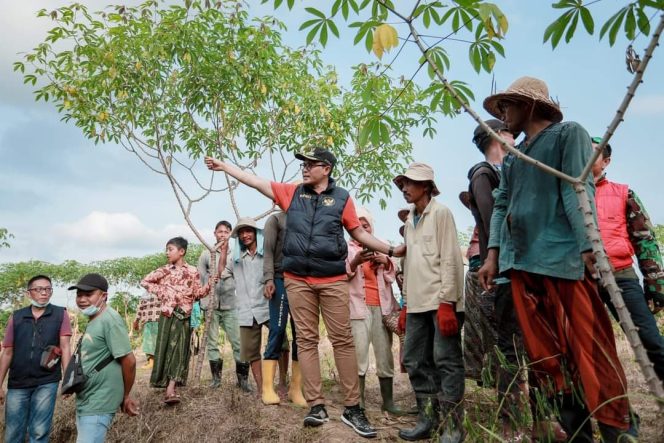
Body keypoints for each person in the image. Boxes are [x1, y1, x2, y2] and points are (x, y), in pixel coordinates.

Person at [205, 147, 405, 439]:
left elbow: (358, 233)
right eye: (304, 164)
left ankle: (352, 408)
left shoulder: (342, 198)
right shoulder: (292, 194)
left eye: (311, 164)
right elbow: (257, 182)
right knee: (307, 341)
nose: (305, 168)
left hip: (333, 278)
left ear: (326, 168)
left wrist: (391, 249)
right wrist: (226, 167)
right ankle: (316, 405)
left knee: (342, 341)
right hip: (297, 279)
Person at [479, 76, 637, 442]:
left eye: (508, 106)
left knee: (590, 350)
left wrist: (588, 246)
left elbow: (575, 188)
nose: (503, 117)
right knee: (547, 361)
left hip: (563, 264)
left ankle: (617, 428)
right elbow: (503, 205)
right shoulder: (516, 158)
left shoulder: (568, 135)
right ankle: (576, 430)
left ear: (531, 105)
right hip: (522, 268)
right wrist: (493, 255)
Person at [466, 121, 567, 441]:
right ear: (499, 137)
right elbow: (492, 218)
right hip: (506, 277)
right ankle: (511, 424)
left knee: (540, 348)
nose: (519, 139)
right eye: (513, 134)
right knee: (509, 353)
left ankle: (542, 420)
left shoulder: (516, 171)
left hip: (531, 271)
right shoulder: (484, 174)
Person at [394, 162, 465, 443]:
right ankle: (427, 419)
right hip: (417, 303)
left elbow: (449, 258)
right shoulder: (410, 220)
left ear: (426, 187)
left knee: (446, 360)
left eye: (410, 183)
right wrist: (405, 304)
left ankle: (453, 425)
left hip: (440, 301)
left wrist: (447, 302)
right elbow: (408, 264)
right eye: (403, 184)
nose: (405, 189)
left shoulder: (441, 213)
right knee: (414, 360)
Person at [591, 137, 664, 383]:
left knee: (651, 341)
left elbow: (644, 239)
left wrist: (655, 284)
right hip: (580, 279)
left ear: (606, 161)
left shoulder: (623, 193)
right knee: (591, 349)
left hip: (620, 275)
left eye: (593, 153)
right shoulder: (565, 192)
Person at [141, 236, 214, 404]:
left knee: (180, 351)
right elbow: (145, 281)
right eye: (166, 249)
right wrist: (163, 292)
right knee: (166, 349)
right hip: (168, 315)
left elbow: (198, 294)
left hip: (185, 315)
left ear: (182, 252)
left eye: (170, 249)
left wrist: (210, 284)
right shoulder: (164, 270)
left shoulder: (193, 271)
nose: (167, 253)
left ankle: (171, 388)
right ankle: (166, 384)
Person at [346, 207, 404, 415]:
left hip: (382, 307)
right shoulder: (347, 248)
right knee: (359, 354)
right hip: (357, 308)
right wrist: (355, 261)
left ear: (371, 227)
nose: (362, 226)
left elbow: (393, 277)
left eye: (366, 223)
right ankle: (358, 402)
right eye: (358, 224)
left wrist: (386, 261)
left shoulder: (381, 247)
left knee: (384, 354)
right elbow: (342, 277)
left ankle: (388, 402)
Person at [0, 275, 71, 443]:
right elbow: (7, 352)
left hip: (47, 381)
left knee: (39, 432)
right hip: (18, 382)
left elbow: (66, 347)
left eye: (48, 289)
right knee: (13, 433)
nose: (44, 293)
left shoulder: (60, 314)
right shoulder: (16, 317)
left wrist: (69, 380)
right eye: (39, 289)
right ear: (28, 293)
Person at [68, 273, 138, 442]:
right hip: (88, 399)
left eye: (88, 294)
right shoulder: (94, 319)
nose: (82, 299)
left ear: (104, 296)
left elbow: (129, 361)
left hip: (100, 401)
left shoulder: (110, 320)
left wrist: (126, 395)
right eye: (79, 295)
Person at [197, 220, 249, 391]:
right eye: (220, 232)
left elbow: (240, 277)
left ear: (230, 234)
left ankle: (242, 381)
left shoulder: (236, 254)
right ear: (214, 234)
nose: (223, 235)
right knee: (212, 342)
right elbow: (200, 278)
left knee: (238, 342)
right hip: (210, 305)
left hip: (230, 304)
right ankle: (216, 380)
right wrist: (208, 286)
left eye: (226, 232)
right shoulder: (206, 254)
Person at [261, 211, 306, 406]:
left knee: (302, 334)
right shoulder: (276, 219)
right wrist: (269, 279)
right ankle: (267, 388)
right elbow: (268, 252)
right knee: (277, 330)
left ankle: (296, 389)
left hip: (304, 281)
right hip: (281, 279)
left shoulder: (310, 217)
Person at [224, 217, 269, 396]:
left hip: (267, 306)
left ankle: (282, 383)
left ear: (256, 233)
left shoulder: (267, 254)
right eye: (241, 233)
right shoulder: (235, 259)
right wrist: (221, 253)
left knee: (281, 345)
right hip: (246, 310)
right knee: (252, 352)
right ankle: (261, 388)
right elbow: (222, 273)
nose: (245, 235)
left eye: (248, 231)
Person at [132, 291, 160, 369]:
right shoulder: (147, 294)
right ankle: (152, 361)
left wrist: (136, 321)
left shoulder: (158, 292)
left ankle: (152, 362)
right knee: (152, 342)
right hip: (152, 320)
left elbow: (140, 308)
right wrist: (136, 321)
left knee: (150, 342)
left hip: (154, 320)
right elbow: (140, 308)